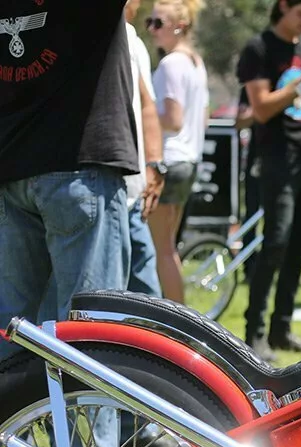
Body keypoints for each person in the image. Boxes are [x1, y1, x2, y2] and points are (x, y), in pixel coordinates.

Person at [0, 0, 135, 357]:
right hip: (79, 166)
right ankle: (90, 415)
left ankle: (16, 414)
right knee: (91, 335)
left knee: (11, 332)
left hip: (12, 172)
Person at [239, 0, 301, 359]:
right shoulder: (259, 48)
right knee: (276, 243)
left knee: (299, 247)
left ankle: (282, 329)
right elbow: (262, 108)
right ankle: (255, 332)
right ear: (283, 6)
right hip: (277, 158)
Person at [147, 0, 209, 304]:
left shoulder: (172, 63)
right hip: (188, 160)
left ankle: (176, 323)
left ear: (179, 26)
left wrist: (138, 114)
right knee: (168, 247)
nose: (152, 30)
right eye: (150, 22)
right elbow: (204, 117)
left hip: (169, 160)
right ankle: (178, 317)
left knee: (161, 250)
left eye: (158, 23)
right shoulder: (196, 62)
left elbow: (172, 120)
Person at [125, 0, 166, 297]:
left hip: (133, 187)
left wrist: (155, 164)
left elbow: (147, 106)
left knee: (145, 288)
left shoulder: (131, 38)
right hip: (109, 188)